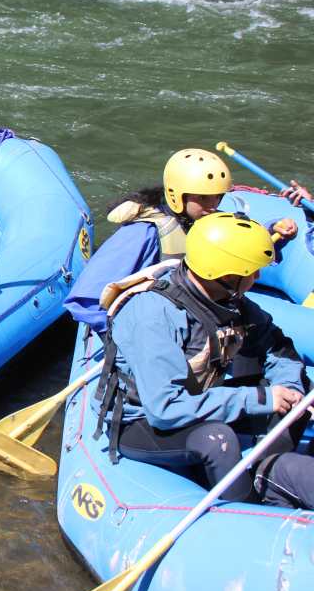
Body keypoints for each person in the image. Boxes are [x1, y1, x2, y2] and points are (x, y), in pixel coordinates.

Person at [92, 212, 314, 509]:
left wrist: (288, 388)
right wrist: (258, 398)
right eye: (251, 271)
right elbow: (164, 408)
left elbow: (277, 348)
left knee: (292, 401)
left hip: (194, 403)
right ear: (223, 274)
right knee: (217, 440)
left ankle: (261, 476)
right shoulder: (153, 315)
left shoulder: (232, 304)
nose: (258, 277)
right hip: (141, 421)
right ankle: (246, 511)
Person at [64, 148, 298, 333]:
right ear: (178, 195)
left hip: (190, 315)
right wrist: (124, 338)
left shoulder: (205, 219)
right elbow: (84, 301)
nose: (213, 205)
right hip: (147, 323)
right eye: (203, 198)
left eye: (217, 196)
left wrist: (272, 229)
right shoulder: (143, 233)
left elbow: (238, 246)